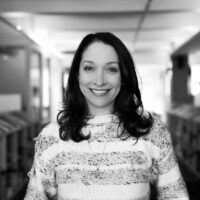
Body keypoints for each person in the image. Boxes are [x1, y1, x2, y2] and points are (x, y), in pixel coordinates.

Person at [24, 32, 189, 200]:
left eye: (111, 69)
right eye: (89, 68)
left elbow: (175, 195)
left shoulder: (150, 131)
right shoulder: (52, 136)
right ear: (77, 74)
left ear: (123, 76)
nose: (99, 80)